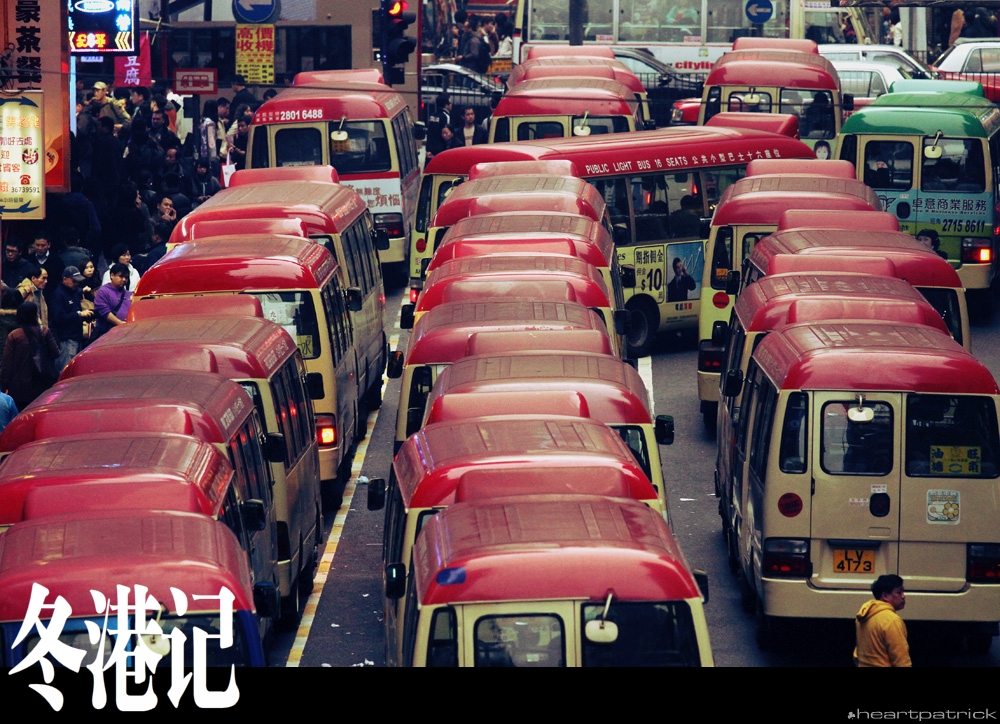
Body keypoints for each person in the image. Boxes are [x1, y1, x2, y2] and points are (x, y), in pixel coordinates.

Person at [0, 301, 59, 412]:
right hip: (43, 383)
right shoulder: (44, 331)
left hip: (19, 388)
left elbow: (7, 364)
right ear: (36, 315)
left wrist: (4, 386)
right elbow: (55, 353)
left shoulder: (14, 335)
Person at [854, 574, 911, 667]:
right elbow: (901, 660)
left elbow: (856, 655)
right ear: (885, 595)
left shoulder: (864, 617)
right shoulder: (891, 620)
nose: (903, 596)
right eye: (899, 592)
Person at [50, 266, 93, 371]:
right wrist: (79, 314)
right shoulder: (58, 295)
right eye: (74, 281)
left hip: (77, 337)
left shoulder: (74, 291)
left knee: (75, 370)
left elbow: (78, 291)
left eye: (78, 281)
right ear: (65, 279)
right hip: (65, 339)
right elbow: (58, 318)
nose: (76, 283)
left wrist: (84, 291)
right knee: (66, 370)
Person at [93, 263, 133, 339]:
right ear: (112, 275)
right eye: (121, 276)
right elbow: (104, 312)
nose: (124, 279)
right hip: (107, 335)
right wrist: (121, 324)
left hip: (126, 334)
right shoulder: (103, 291)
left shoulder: (129, 294)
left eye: (126, 277)